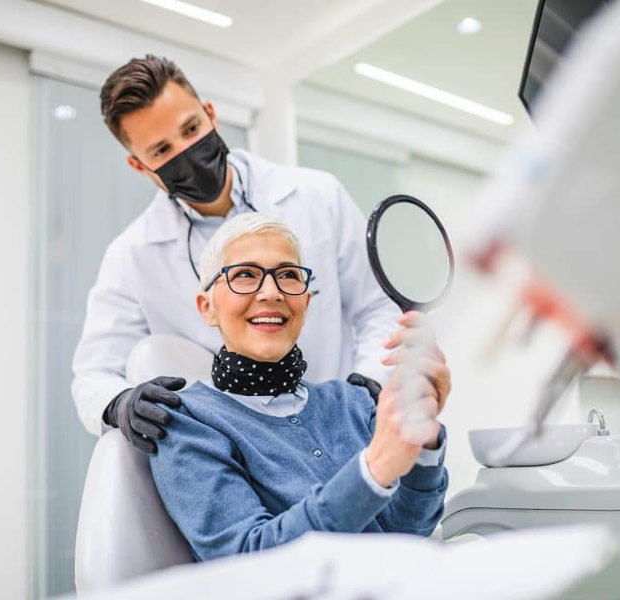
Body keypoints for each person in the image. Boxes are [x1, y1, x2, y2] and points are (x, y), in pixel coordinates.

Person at [72, 54, 420, 452]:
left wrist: (367, 385)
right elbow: (94, 373)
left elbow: (379, 308)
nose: (187, 151)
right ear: (139, 165)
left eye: (191, 129)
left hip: (346, 435)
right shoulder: (133, 256)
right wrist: (118, 404)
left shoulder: (317, 197)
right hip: (237, 456)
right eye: (162, 149)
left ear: (210, 114)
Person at [149, 212, 449, 560]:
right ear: (207, 308)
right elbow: (246, 561)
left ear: (305, 302)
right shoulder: (188, 424)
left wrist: (423, 442)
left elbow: (409, 529)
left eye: (288, 276)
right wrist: (374, 469)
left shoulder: (353, 402)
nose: (271, 292)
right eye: (245, 275)